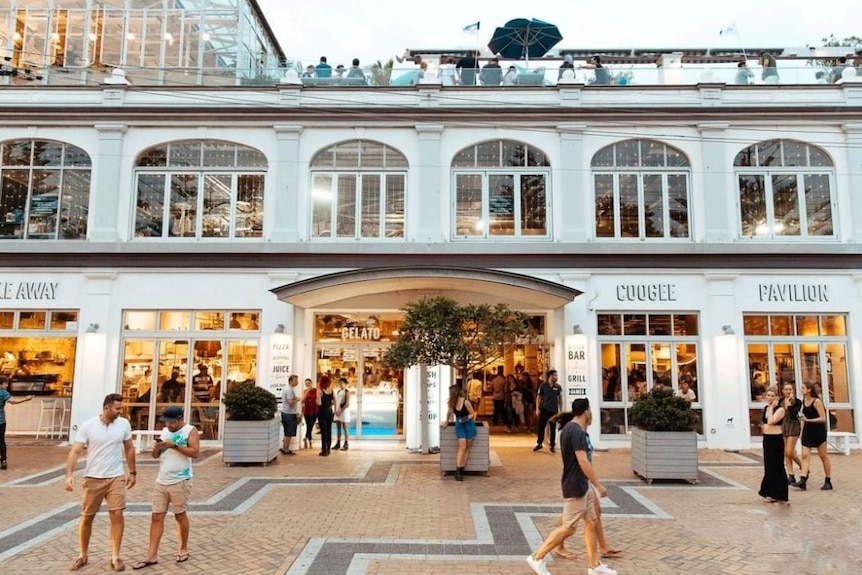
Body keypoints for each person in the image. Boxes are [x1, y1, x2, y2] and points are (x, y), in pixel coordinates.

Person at [526, 398, 617, 575]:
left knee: (591, 521)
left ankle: (594, 565)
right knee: (569, 527)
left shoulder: (570, 428)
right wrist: (598, 484)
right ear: (586, 412)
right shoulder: (576, 432)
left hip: (582, 484)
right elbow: (582, 461)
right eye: (590, 410)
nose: (591, 414)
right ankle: (537, 557)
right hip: (576, 485)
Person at [65, 393, 137, 572]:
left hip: (116, 477)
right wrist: (69, 475)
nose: (120, 411)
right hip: (93, 477)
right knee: (87, 516)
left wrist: (133, 472)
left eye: (121, 408)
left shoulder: (124, 424)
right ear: (106, 408)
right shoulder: (88, 426)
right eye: (117, 408)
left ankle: (115, 556)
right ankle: (82, 554)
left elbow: (129, 448)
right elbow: (75, 451)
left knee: (117, 514)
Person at [131, 406, 200, 569]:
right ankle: (151, 554)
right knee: (156, 516)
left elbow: (195, 452)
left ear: (179, 419)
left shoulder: (190, 431)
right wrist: (158, 447)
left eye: (171, 422)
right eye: (167, 422)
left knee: (180, 515)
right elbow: (156, 456)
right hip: (161, 480)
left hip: (181, 479)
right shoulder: (164, 432)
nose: (169, 425)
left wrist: (174, 445)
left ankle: (183, 548)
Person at [794, 382, 832, 491]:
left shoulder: (817, 401)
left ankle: (828, 480)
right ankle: (803, 479)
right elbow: (803, 418)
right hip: (807, 431)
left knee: (823, 456)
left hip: (818, 431)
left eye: (803, 388)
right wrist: (801, 431)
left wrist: (808, 420)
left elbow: (822, 418)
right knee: (805, 455)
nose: (801, 390)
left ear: (809, 390)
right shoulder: (803, 402)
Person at [758, 387, 789, 503]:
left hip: (776, 439)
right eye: (768, 395)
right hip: (767, 439)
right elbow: (765, 422)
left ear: (777, 397)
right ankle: (769, 491)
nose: (770, 398)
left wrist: (771, 408)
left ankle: (780, 493)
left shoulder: (780, 409)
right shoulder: (766, 408)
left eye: (772, 396)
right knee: (768, 466)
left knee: (777, 466)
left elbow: (772, 421)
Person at [442, 384, 476, 481]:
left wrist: (465, 419)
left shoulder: (466, 402)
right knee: (462, 447)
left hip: (468, 425)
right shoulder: (452, 403)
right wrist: (447, 422)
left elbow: (472, 413)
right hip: (459, 426)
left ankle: (461, 469)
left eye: (451, 393)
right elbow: (449, 412)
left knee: (466, 448)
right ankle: (458, 470)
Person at [0, 376, 34, 469]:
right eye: (5, 384)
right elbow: (13, 401)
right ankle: (3, 460)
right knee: (1, 441)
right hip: (1, 421)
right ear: (1, 384)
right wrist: (25, 399)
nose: (7, 385)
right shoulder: (3, 393)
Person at [533, 369, 563, 453]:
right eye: (555, 375)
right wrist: (537, 409)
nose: (556, 377)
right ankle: (539, 443)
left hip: (554, 410)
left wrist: (560, 410)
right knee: (541, 427)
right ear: (550, 376)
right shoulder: (543, 386)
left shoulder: (558, 387)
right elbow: (539, 397)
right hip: (544, 409)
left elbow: (560, 399)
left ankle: (552, 445)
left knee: (553, 428)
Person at [781, 383, 804, 486]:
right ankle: (791, 475)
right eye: (786, 389)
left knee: (789, 451)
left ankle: (803, 467)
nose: (788, 391)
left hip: (793, 426)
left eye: (790, 389)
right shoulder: (781, 401)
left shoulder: (797, 402)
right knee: (786, 452)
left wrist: (790, 404)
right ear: (783, 391)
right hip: (783, 426)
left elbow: (793, 414)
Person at [279, 375, 300, 455]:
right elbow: (290, 402)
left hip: (286, 413)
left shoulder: (286, 389)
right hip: (289, 414)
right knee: (289, 433)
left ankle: (285, 448)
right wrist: (297, 399)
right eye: (295, 380)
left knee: (287, 432)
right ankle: (286, 449)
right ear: (291, 381)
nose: (297, 382)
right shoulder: (289, 390)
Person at [316, 376, 334, 456]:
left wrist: (316, 400)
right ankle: (328, 448)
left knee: (323, 431)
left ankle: (324, 450)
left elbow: (319, 403)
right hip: (329, 412)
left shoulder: (319, 391)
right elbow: (334, 401)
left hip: (322, 412)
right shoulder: (331, 390)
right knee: (329, 430)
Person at [333, 377, 350, 451]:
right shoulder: (338, 391)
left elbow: (347, 404)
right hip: (338, 410)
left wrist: (341, 410)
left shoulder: (347, 392)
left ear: (345, 384)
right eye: (339, 383)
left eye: (342, 383)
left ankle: (346, 443)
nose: (340, 384)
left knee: (345, 427)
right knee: (338, 428)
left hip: (344, 411)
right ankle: (338, 442)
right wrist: (335, 410)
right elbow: (336, 401)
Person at [301, 378, 318, 450]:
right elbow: (302, 401)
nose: (307, 384)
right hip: (307, 410)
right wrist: (307, 392)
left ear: (311, 383)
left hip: (314, 410)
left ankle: (306, 437)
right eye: (306, 383)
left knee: (310, 426)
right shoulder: (304, 391)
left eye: (308, 383)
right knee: (308, 425)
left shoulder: (316, 390)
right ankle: (310, 442)